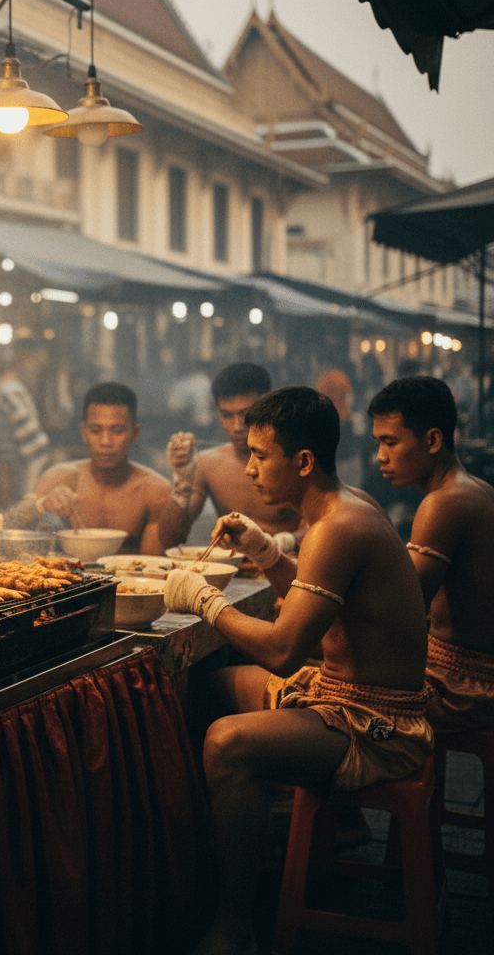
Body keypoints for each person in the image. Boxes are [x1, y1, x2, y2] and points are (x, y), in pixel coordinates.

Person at [164, 387, 430, 955]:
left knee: (226, 742)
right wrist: (267, 554)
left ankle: (235, 928)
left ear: (303, 462)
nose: (250, 467)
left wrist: (205, 602)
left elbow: (285, 651)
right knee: (207, 689)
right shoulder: (339, 508)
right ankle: (241, 847)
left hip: (376, 720)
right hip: (338, 690)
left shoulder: (339, 527)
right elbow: (319, 608)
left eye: (261, 455)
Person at [369, 376, 494, 732]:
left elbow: (402, 610)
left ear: (434, 439)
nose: (380, 456)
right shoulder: (474, 489)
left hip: (461, 686)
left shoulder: (444, 502)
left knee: (318, 685)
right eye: (378, 442)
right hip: (463, 672)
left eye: (390, 442)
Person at [6, 381, 184, 555]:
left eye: (117, 430)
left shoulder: (155, 491)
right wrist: (41, 504)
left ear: (134, 434)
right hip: (71, 581)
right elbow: (8, 523)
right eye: (96, 430)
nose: (105, 442)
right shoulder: (62, 477)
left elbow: (151, 567)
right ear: (84, 432)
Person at [168, 362, 302, 546]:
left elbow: (328, 524)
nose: (237, 426)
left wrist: (286, 541)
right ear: (217, 412)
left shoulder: (297, 459)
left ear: (269, 407)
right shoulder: (207, 463)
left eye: (246, 414)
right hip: (233, 570)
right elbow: (173, 537)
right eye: (227, 415)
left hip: (287, 566)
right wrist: (180, 485)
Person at [0, 341, 52, 505]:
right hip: (17, 472)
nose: (38, 371)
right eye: (36, 364)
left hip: (14, 469)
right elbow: (35, 444)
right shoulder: (11, 390)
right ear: (23, 358)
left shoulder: (10, 387)